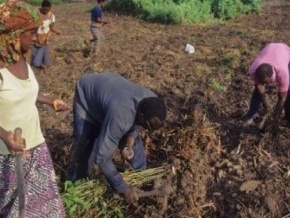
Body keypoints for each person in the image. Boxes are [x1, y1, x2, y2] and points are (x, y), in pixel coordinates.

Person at [0, 1, 69, 217]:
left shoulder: (21, 58)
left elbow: (23, 92)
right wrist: (5, 136)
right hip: (8, 155)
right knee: (14, 209)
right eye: (30, 32)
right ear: (13, 34)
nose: (35, 36)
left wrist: (50, 100)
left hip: (36, 146)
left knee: (46, 208)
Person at [67, 72, 167, 202]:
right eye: (149, 127)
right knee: (86, 147)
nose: (150, 130)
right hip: (88, 100)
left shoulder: (153, 101)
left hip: (113, 97)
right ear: (141, 117)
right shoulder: (121, 117)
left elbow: (138, 124)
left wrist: (130, 142)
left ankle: (141, 178)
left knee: (135, 143)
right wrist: (123, 188)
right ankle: (73, 190)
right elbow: (102, 158)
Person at [243, 43, 290, 129]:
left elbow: (282, 98)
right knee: (257, 92)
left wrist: (273, 122)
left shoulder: (283, 73)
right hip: (269, 48)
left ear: (273, 76)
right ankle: (251, 114)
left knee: (288, 92)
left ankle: (288, 118)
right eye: (262, 83)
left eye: (266, 83)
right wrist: (265, 107)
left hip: (286, 52)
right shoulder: (253, 71)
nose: (265, 85)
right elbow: (260, 89)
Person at [31, 0, 60, 73]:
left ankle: (44, 66)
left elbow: (51, 27)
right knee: (35, 52)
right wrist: (33, 35)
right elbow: (31, 26)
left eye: (48, 9)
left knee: (45, 52)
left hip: (45, 37)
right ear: (42, 7)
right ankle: (36, 65)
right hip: (36, 36)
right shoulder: (36, 13)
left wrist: (57, 31)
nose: (46, 11)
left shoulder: (51, 16)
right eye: (45, 9)